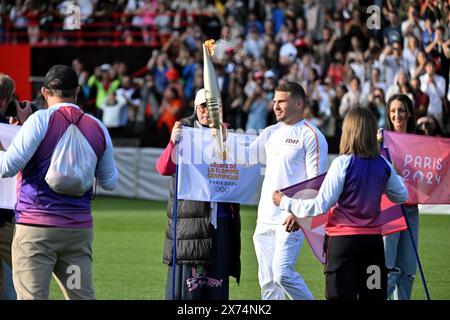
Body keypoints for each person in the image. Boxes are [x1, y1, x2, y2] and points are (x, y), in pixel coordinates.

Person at [0, 65, 118, 300]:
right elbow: (110, 182)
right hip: (76, 234)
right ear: (77, 90)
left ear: (44, 92)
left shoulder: (39, 121)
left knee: (34, 296)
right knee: (79, 295)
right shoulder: (97, 127)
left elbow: (7, 168)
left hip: (37, 231)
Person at [272, 107, 409, 300]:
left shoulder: (342, 163)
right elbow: (401, 196)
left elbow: (320, 205)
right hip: (373, 246)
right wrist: (396, 175)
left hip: (343, 246)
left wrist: (285, 201)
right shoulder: (383, 164)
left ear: (348, 131)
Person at [155, 88, 241, 300]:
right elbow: (164, 168)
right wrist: (173, 142)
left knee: (216, 288)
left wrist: (224, 142)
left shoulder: (228, 133)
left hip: (219, 220)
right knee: (187, 291)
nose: (206, 111)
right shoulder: (183, 130)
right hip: (189, 221)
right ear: (196, 107)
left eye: (212, 107)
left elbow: (240, 172)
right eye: (203, 106)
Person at [250, 82, 328, 300]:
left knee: (282, 275)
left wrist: (298, 213)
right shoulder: (269, 132)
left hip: (290, 217)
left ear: (299, 103)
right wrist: (221, 136)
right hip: (265, 217)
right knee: (267, 283)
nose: (276, 106)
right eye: (274, 101)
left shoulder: (312, 135)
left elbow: (316, 182)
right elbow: (245, 158)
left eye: (282, 101)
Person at [382, 93, 419, 299]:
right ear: (388, 113)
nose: (398, 115)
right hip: (389, 209)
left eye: (402, 110)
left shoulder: (419, 143)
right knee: (387, 268)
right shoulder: (380, 140)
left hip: (412, 209)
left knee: (408, 270)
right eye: (394, 111)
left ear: (410, 113)